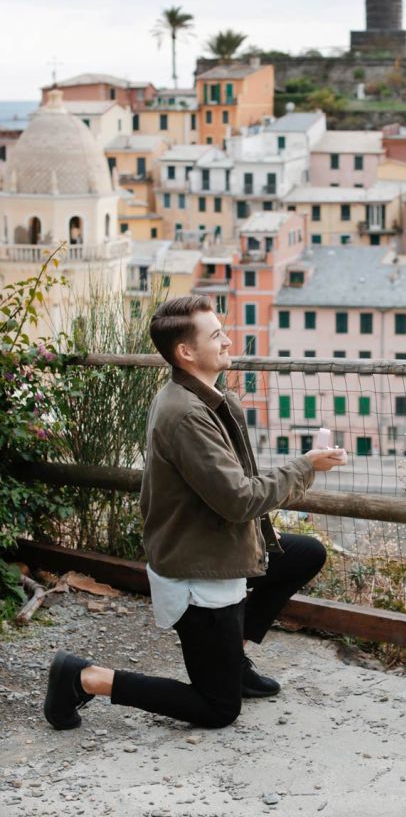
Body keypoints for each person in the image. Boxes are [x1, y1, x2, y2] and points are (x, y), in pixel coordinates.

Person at [44, 295, 345, 731]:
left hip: (218, 544)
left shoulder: (204, 398)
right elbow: (238, 500)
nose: (227, 341)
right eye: (216, 334)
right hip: (198, 568)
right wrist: (306, 465)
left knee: (303, 554)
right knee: (218, 709)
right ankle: (84, 677)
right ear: (186, 352)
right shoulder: (186, 415)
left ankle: (231, 652)